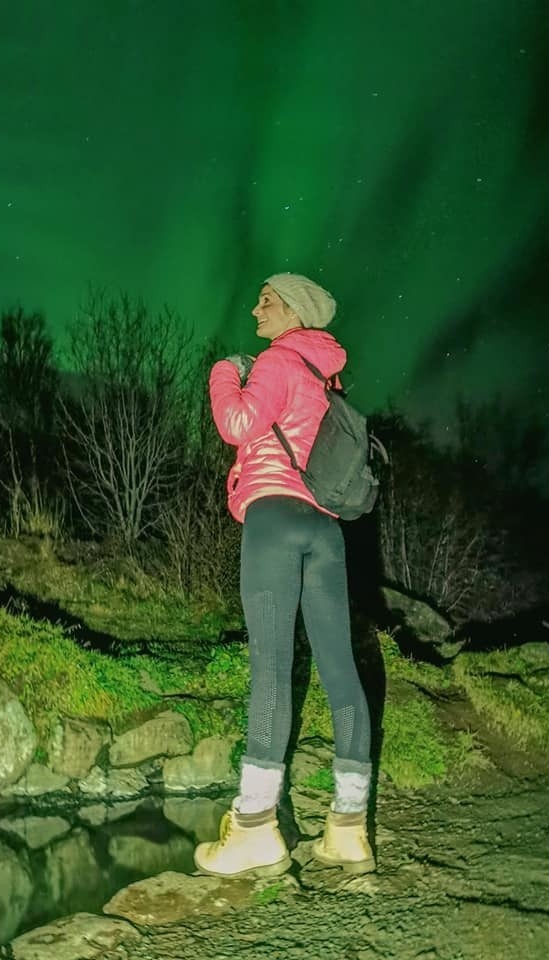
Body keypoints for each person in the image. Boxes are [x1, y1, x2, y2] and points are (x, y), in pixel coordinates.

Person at [193, 272, 375, 879]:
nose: (254, 309)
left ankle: (253, 829)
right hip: (325, 530)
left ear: (293, 309)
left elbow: (238, 426)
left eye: (265, 301)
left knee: (270, 666)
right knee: (340, 668)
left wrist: (224, 373)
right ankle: (349, 830)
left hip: (273, 516)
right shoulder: (327, 380)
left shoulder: (277, 360)